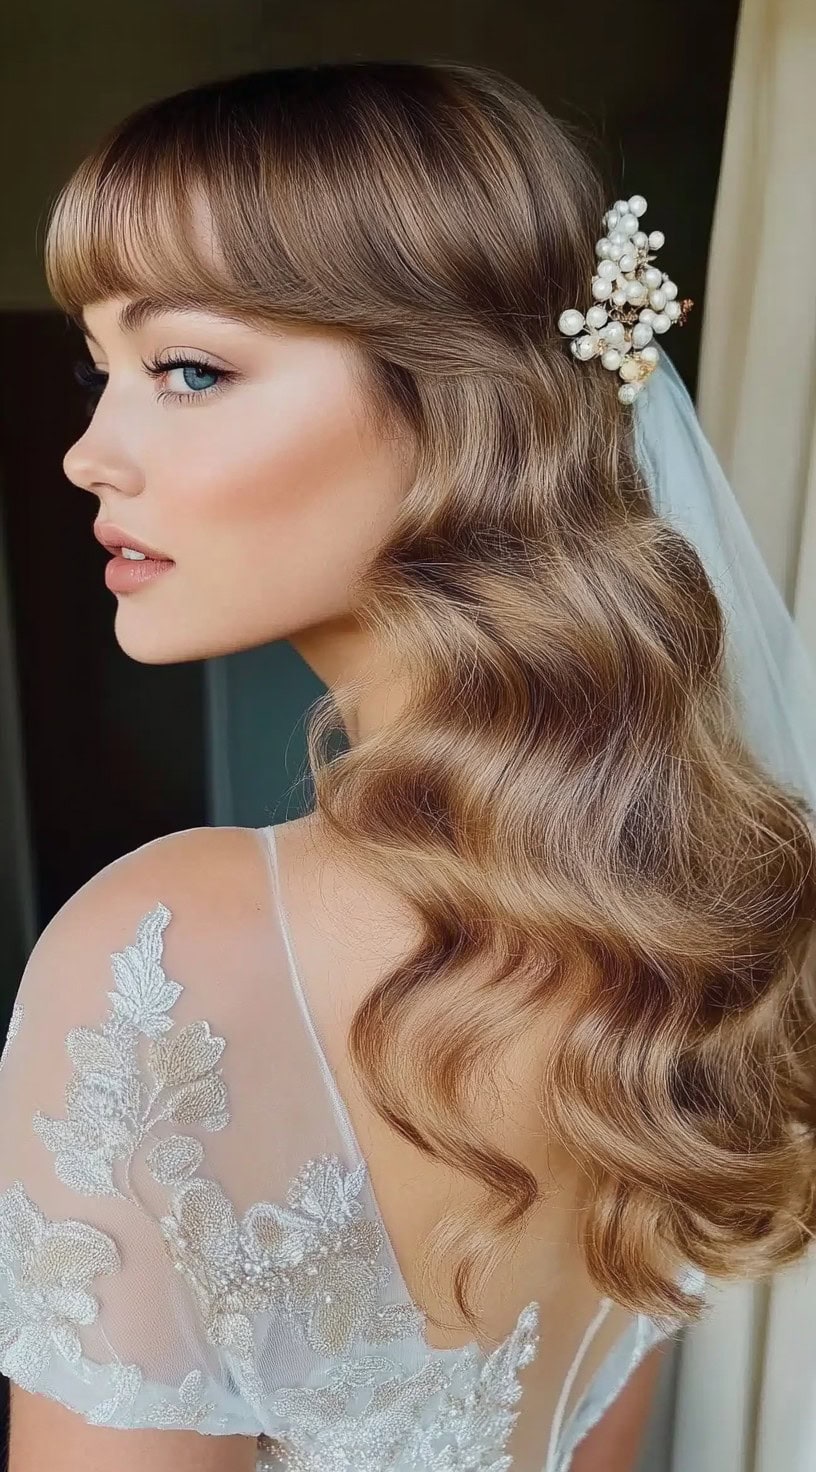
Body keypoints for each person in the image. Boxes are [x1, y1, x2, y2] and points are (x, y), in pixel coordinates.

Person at [1, 59, 814, 1472]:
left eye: (187, 368)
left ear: (459, 407)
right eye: (100, 368)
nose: (89, 452)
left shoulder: (168, 951)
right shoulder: (677, 909)